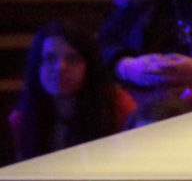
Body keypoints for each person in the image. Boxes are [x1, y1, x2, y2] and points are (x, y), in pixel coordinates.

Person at [10, 22, 133, 158]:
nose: (60, 68)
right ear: (37, 65)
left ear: (89, 66)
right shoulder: (22, 119)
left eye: (73, 59)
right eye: (50, 58)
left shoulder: (119, 107)